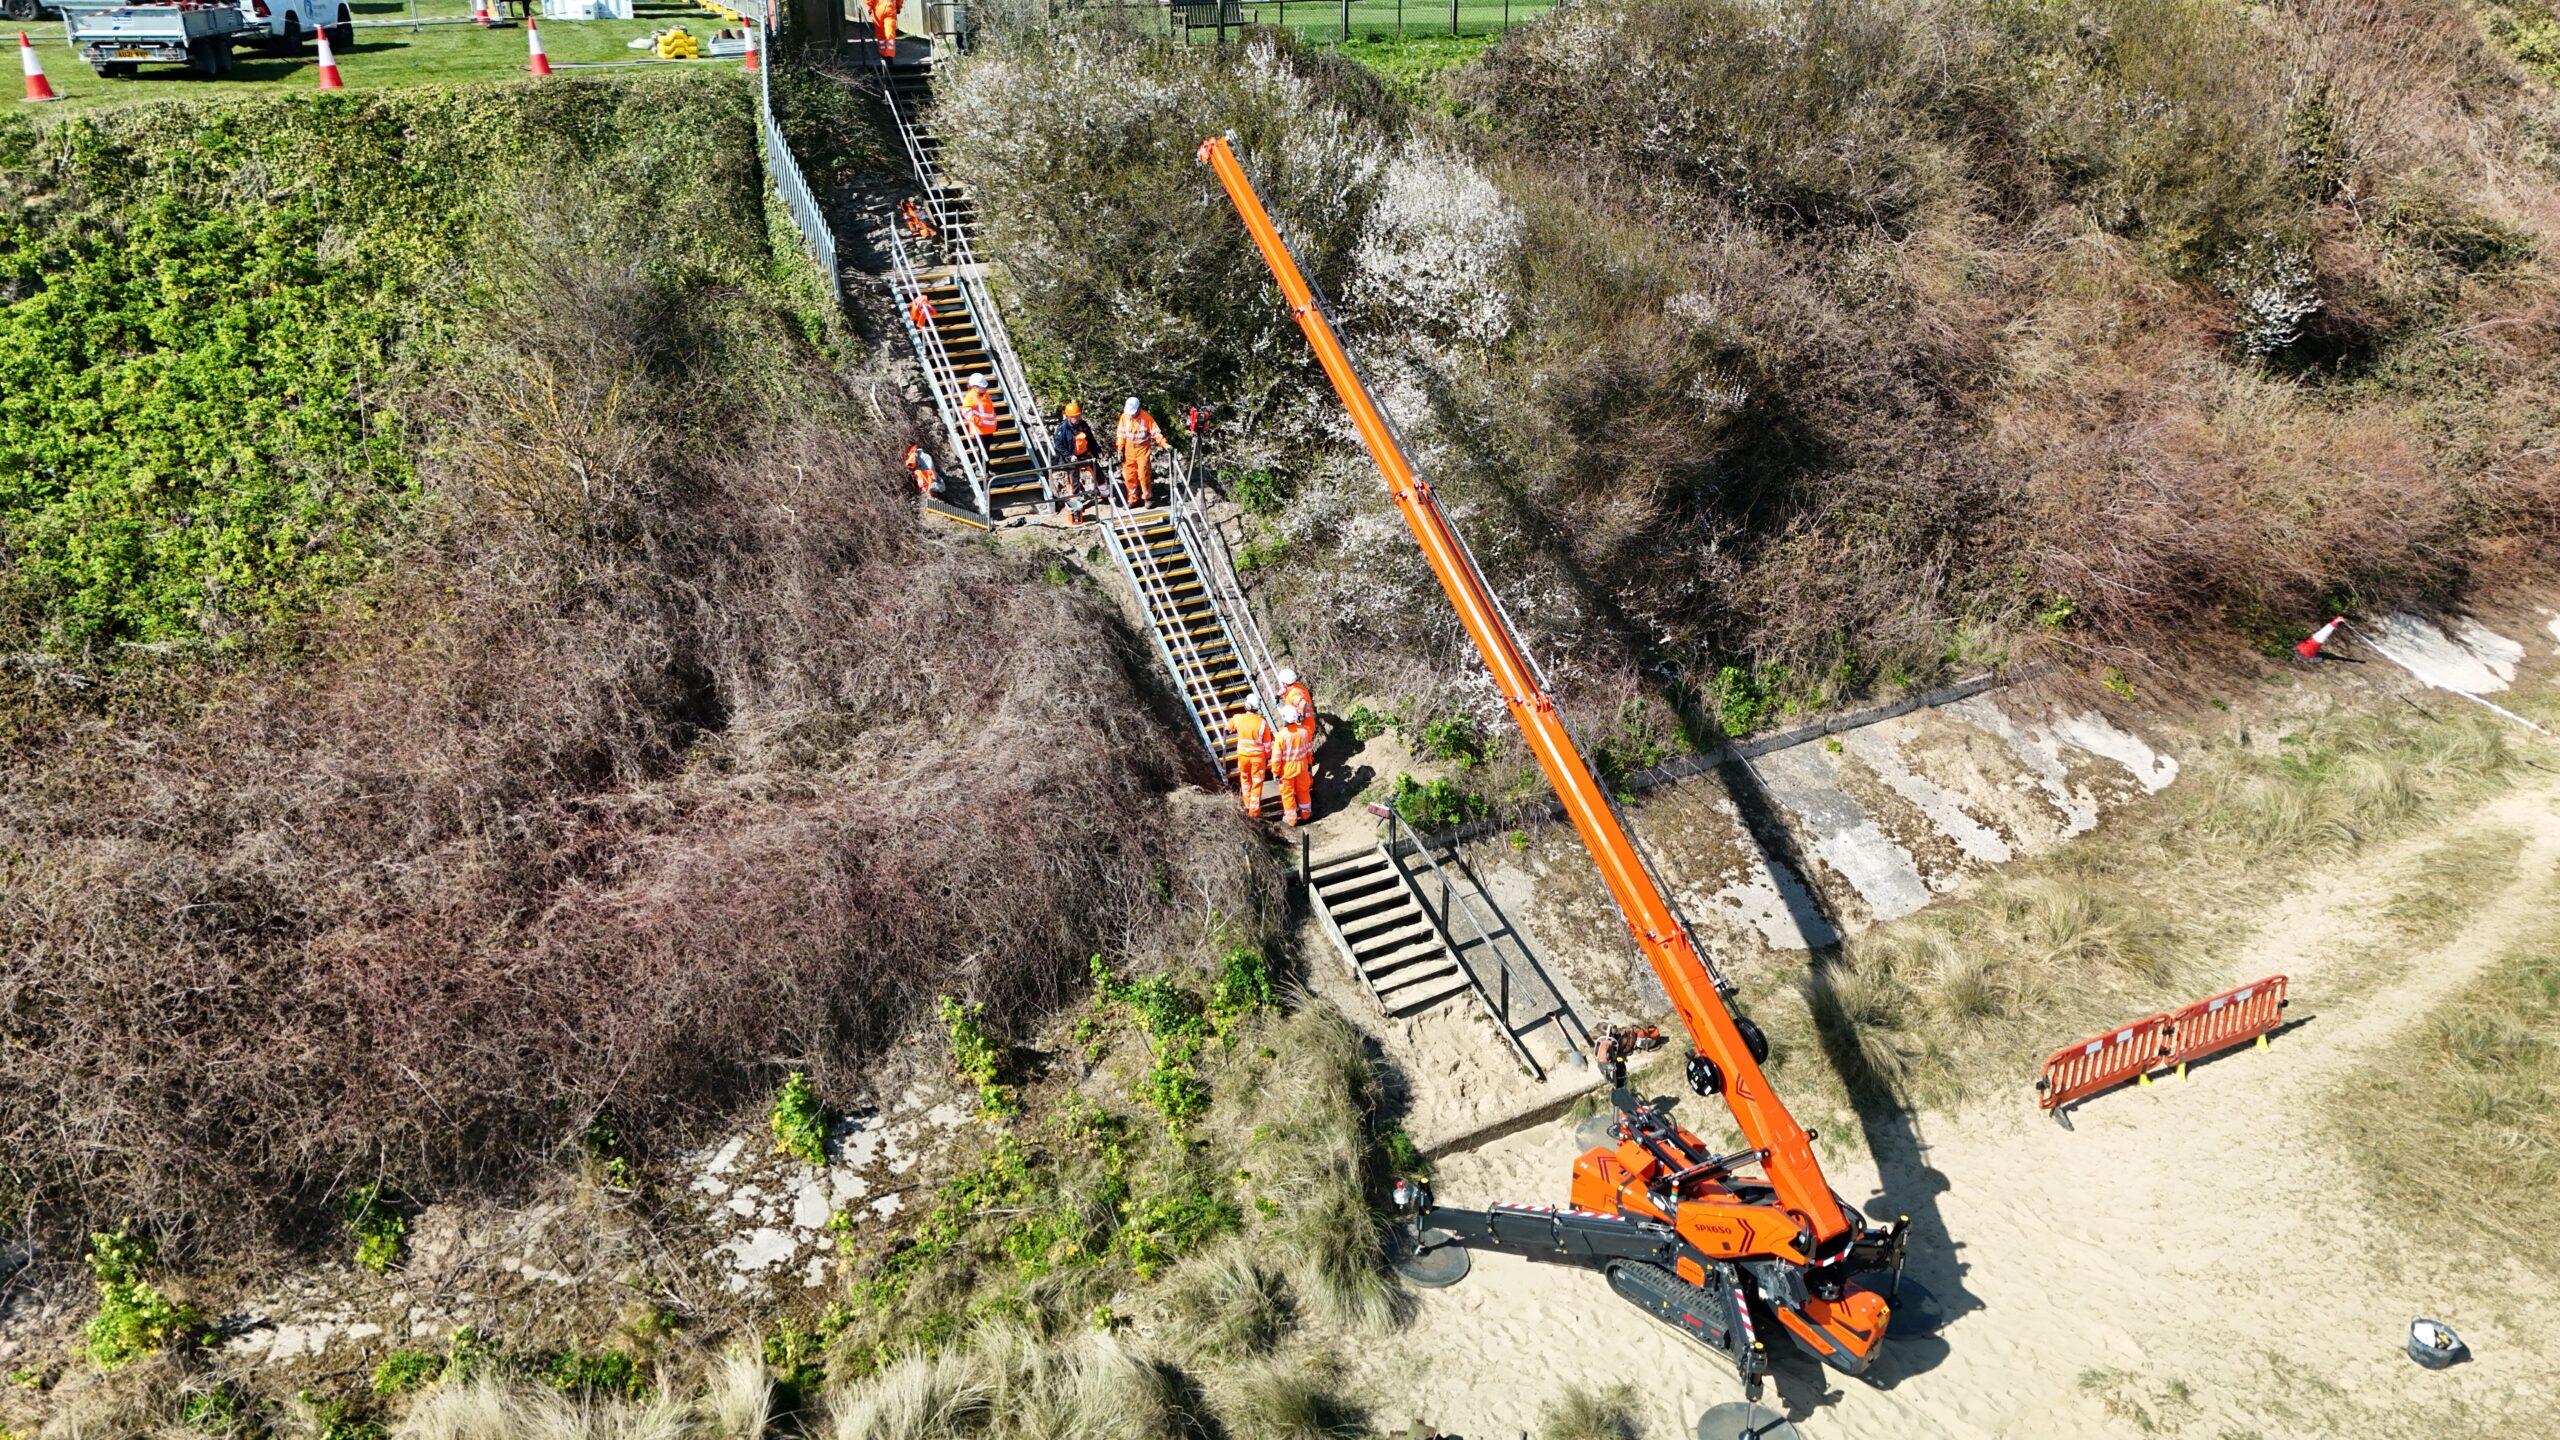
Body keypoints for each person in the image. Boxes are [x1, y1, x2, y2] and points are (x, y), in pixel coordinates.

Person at [1051, 401, 1101, 520]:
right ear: (1069, 417)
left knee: (1099, 474)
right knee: (1074, 481)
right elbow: (1058, 445)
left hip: (1085, 455)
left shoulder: (1083, 425)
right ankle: (1076, 503)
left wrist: (1097, 450)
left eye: (1079, 416)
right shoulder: (1062, 429)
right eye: (1075, 417)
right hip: (1072, 458)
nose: (1078, 418)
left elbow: (1091, 439)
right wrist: (1069, 456)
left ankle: (1105, 494)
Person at [1114, 396, 1164, 507]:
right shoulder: (1124, 417)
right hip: (1128, 450)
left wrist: (1165, 444)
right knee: (1129, 476)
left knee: (1143, 474)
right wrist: (1119, 449)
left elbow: (1156, 433)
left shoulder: (1146, 418)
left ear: (1138, 409)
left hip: (1142, 449)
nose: (1131, 414)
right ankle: (1132, 499)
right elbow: (1121, 434)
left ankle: (1147, 498)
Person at [1272, 704, 1316, 827]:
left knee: (1288, 793)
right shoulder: (1304, 732)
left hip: (1287, 770)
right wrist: (1309, 765)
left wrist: (1275, 772)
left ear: (1285, 718)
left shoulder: (1281, 736)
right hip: (1302, 767)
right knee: (1303, 791)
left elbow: (1276, 757)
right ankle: (1306, 813)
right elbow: (1308, 751)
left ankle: (1291, 818)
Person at [1227, 694, 1271, 818]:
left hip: (1243, 757)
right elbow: (1267, 745)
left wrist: (1228, 729)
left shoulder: (1238, 718)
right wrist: (1266, 757)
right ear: (1257, 708)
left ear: (1246, 705)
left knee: (1245, 780)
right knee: (1257, 783)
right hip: (1258, 758)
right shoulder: (1262, 723)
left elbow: (1228, 726)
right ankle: (1254, 811)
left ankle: (1247, 804)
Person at [963, 374, 1000, 444]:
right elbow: (966, 411)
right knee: (983, 452)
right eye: (983, 387)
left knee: (986, 451)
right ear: (975, 387)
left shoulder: (986, 395)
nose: (985, 388)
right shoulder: (971, 396)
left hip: (989, 429)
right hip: (980, 430)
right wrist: (978, 421)